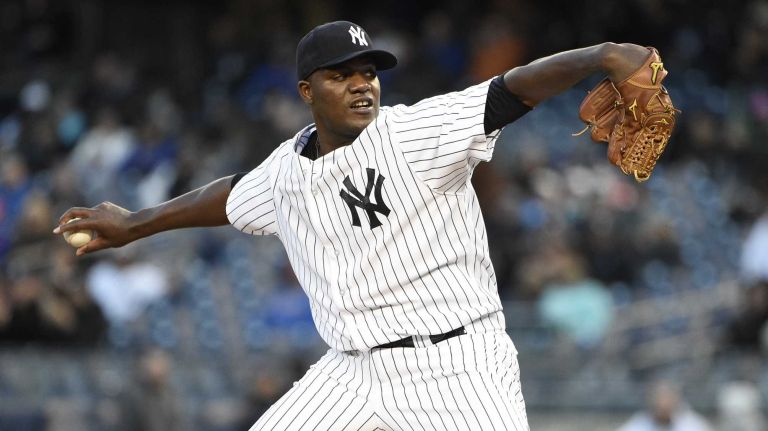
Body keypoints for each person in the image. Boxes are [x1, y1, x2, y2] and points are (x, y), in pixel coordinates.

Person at [55, 20, 654, 431]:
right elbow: (232, 195)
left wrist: (599, 56)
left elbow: (508, 91)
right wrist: (137, 224)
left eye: (368, 71)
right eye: (342, 74)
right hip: (352, 370)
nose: (362, 83)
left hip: (458, 365)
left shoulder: (414, 133)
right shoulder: (287, 168)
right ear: (306, 91)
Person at [616, 380, 713, 431]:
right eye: (658, 398)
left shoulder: (692, 424)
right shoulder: (639, 424)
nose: (662, 404)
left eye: (667, 398)